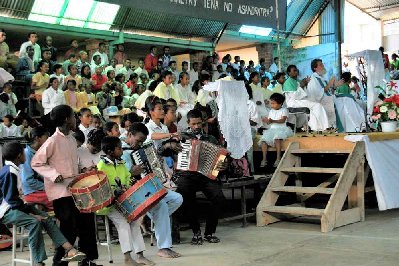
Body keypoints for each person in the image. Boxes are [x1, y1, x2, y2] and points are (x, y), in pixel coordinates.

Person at [31, 105, 100, 266]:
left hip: (75, 189)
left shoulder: (71, 139)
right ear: (66, 120)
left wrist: (84, 170)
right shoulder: (52, 141)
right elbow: (37, 162)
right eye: (73, 117)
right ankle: (60, 262)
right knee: (68, 228)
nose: (76, 119)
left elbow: (72, 164)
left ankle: (86, 260)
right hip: (61, 192)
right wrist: (54, 175)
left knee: (87, 221)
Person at [0, 141, 86, 266]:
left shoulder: (12, 169)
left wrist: (29, 209)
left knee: (46, 218)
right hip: (6, 211)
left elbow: (14, 199)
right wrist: (32, 214)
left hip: (15, 206)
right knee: (34, 223)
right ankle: (37, 261)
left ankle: (69, 249)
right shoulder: (10, 171)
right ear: (19, 155)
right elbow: (11, 200)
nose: (25, 155)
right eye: (24, 153)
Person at [122, 123, 182, 259]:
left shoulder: (143, 147)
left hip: (148, 188)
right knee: (161, 207)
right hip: (132, 192)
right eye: (138, 141)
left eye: (142, 142)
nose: (139, 145)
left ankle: (149, 219)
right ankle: (164, 247)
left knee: (177, 198)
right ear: (129, 135)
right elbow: (119, 174)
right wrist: (131, 172)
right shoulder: (120, 149)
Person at [175, 109, 227, 245]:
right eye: (193, 124)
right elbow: (165, 150)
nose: (197, 127)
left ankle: (209, 232)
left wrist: (223, 165)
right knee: (186, 196)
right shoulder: (182, 137)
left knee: (219, 198)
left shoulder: (211, 138)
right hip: (187, 174)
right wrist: (173, 145)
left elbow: (221, 157)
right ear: (188, 123)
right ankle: (196, 232)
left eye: (199, 123)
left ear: (203, 122)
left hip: (205, 176)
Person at [283, 64, 329, 132]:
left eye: (297, 70)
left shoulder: (297, 81)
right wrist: (302, 85)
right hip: (293, 103)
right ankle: (323, 128)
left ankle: (318, 128)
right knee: (316, 106)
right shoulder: (288, 82)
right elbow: (294, 97)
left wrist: (305, 85)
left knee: (316, 105)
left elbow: (304, 94)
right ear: (289, 73)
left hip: (300, 101)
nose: (296, 72)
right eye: (294, 70)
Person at [20, 126, 53, 210]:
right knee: (60, 198)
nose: (49, 140)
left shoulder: (39, 152)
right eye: (46, 137)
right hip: (32, 192)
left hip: (41, 188)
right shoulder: (27, 154)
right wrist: (47, 187)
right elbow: (28, 180)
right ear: (38, 138)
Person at [307, 59, 343, 129]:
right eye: (320, 65)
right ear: (315, 68)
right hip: (320, 102)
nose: (323, 66)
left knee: (345, 100)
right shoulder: (313, 79)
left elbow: (328, 92)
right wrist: (330, 84)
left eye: (322, 64)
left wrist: (335, 86)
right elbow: (316, 94)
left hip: (327, 99)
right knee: (342, 102)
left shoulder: (322, 79)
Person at [259, 93, 293, 168]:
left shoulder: (284, 110)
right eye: (271, 103)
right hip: (272, 129)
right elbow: (269, 121)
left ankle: (278, 158)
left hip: (281, 129)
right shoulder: (271, 111)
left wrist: (272, 121)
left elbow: (282, 120)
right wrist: (266, 121)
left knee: (277, 138)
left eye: (273, 103)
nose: (272, 105)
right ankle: (264, 159)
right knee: (264, 141)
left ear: (280, 103)